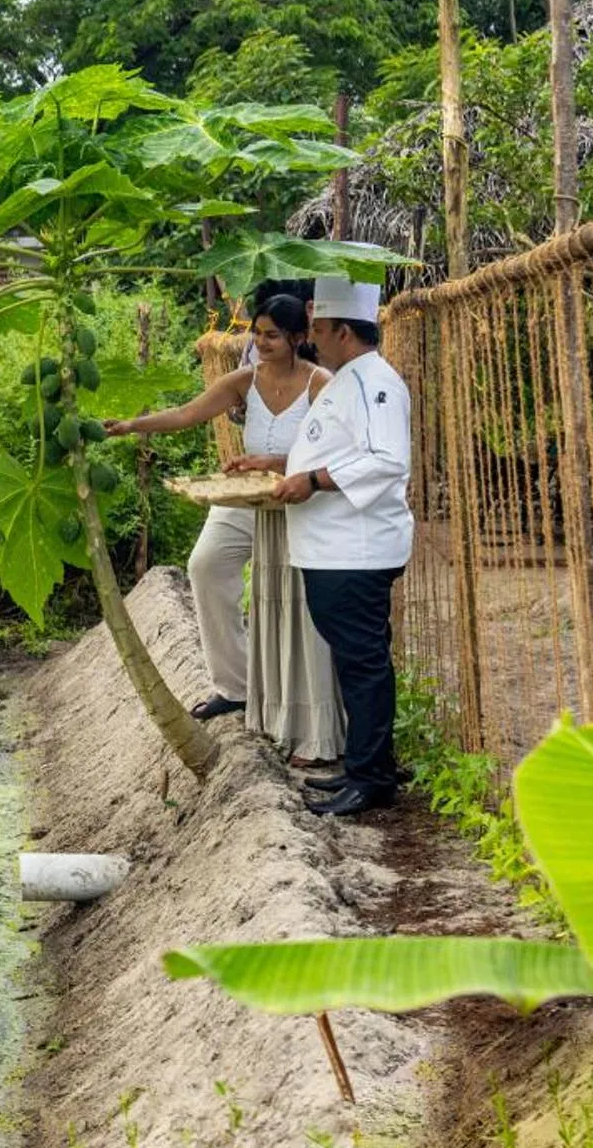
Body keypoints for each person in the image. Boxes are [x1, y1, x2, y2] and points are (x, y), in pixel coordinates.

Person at [105, 295, 333, 740]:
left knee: (291, 597)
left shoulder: (319, 383)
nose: (260, 343)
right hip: (244, 498)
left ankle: (298, 704)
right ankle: (236, 686)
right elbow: (189, 413)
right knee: (205, 565)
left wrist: (275, 462)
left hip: (297, 502)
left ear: (297, 338)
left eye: (271, 335)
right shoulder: (244, 380)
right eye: (257, 333)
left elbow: (330, 452)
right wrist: (134, 426)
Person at [278, 278, 414, 818]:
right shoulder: (350, 379)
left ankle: (372, 777)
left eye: (317, 329)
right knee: (358, 661)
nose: (312, 339)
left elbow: (385, 459)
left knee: (363, 664)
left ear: (341, 330)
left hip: (353, 549)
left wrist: (311, 481)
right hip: (333, 547)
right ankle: (366, 763)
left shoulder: (373, 383)